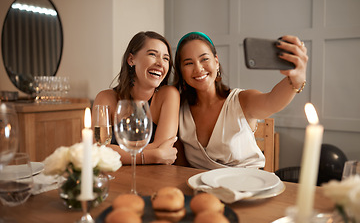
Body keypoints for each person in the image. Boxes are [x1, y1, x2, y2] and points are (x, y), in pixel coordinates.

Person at [174, 32, 308, 169]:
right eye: (189, 63)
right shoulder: (179, 111)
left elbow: (271, 102)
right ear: (181, 71)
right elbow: (181, 168)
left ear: (216, 62)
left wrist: (295, 79)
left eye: (204, 59)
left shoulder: (240, 100)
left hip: (248, 186)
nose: (198, 68)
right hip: (202, 188)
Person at [93, 31, 180, 165]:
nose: (160, 63)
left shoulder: (169, 95)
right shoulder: (105, 98)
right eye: (152, 54)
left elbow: (165, 149)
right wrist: (153, 155)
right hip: (116, 178)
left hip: (156, 178)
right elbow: (97, 151)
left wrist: (114, 151)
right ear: (131, 59)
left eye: (166, 58)